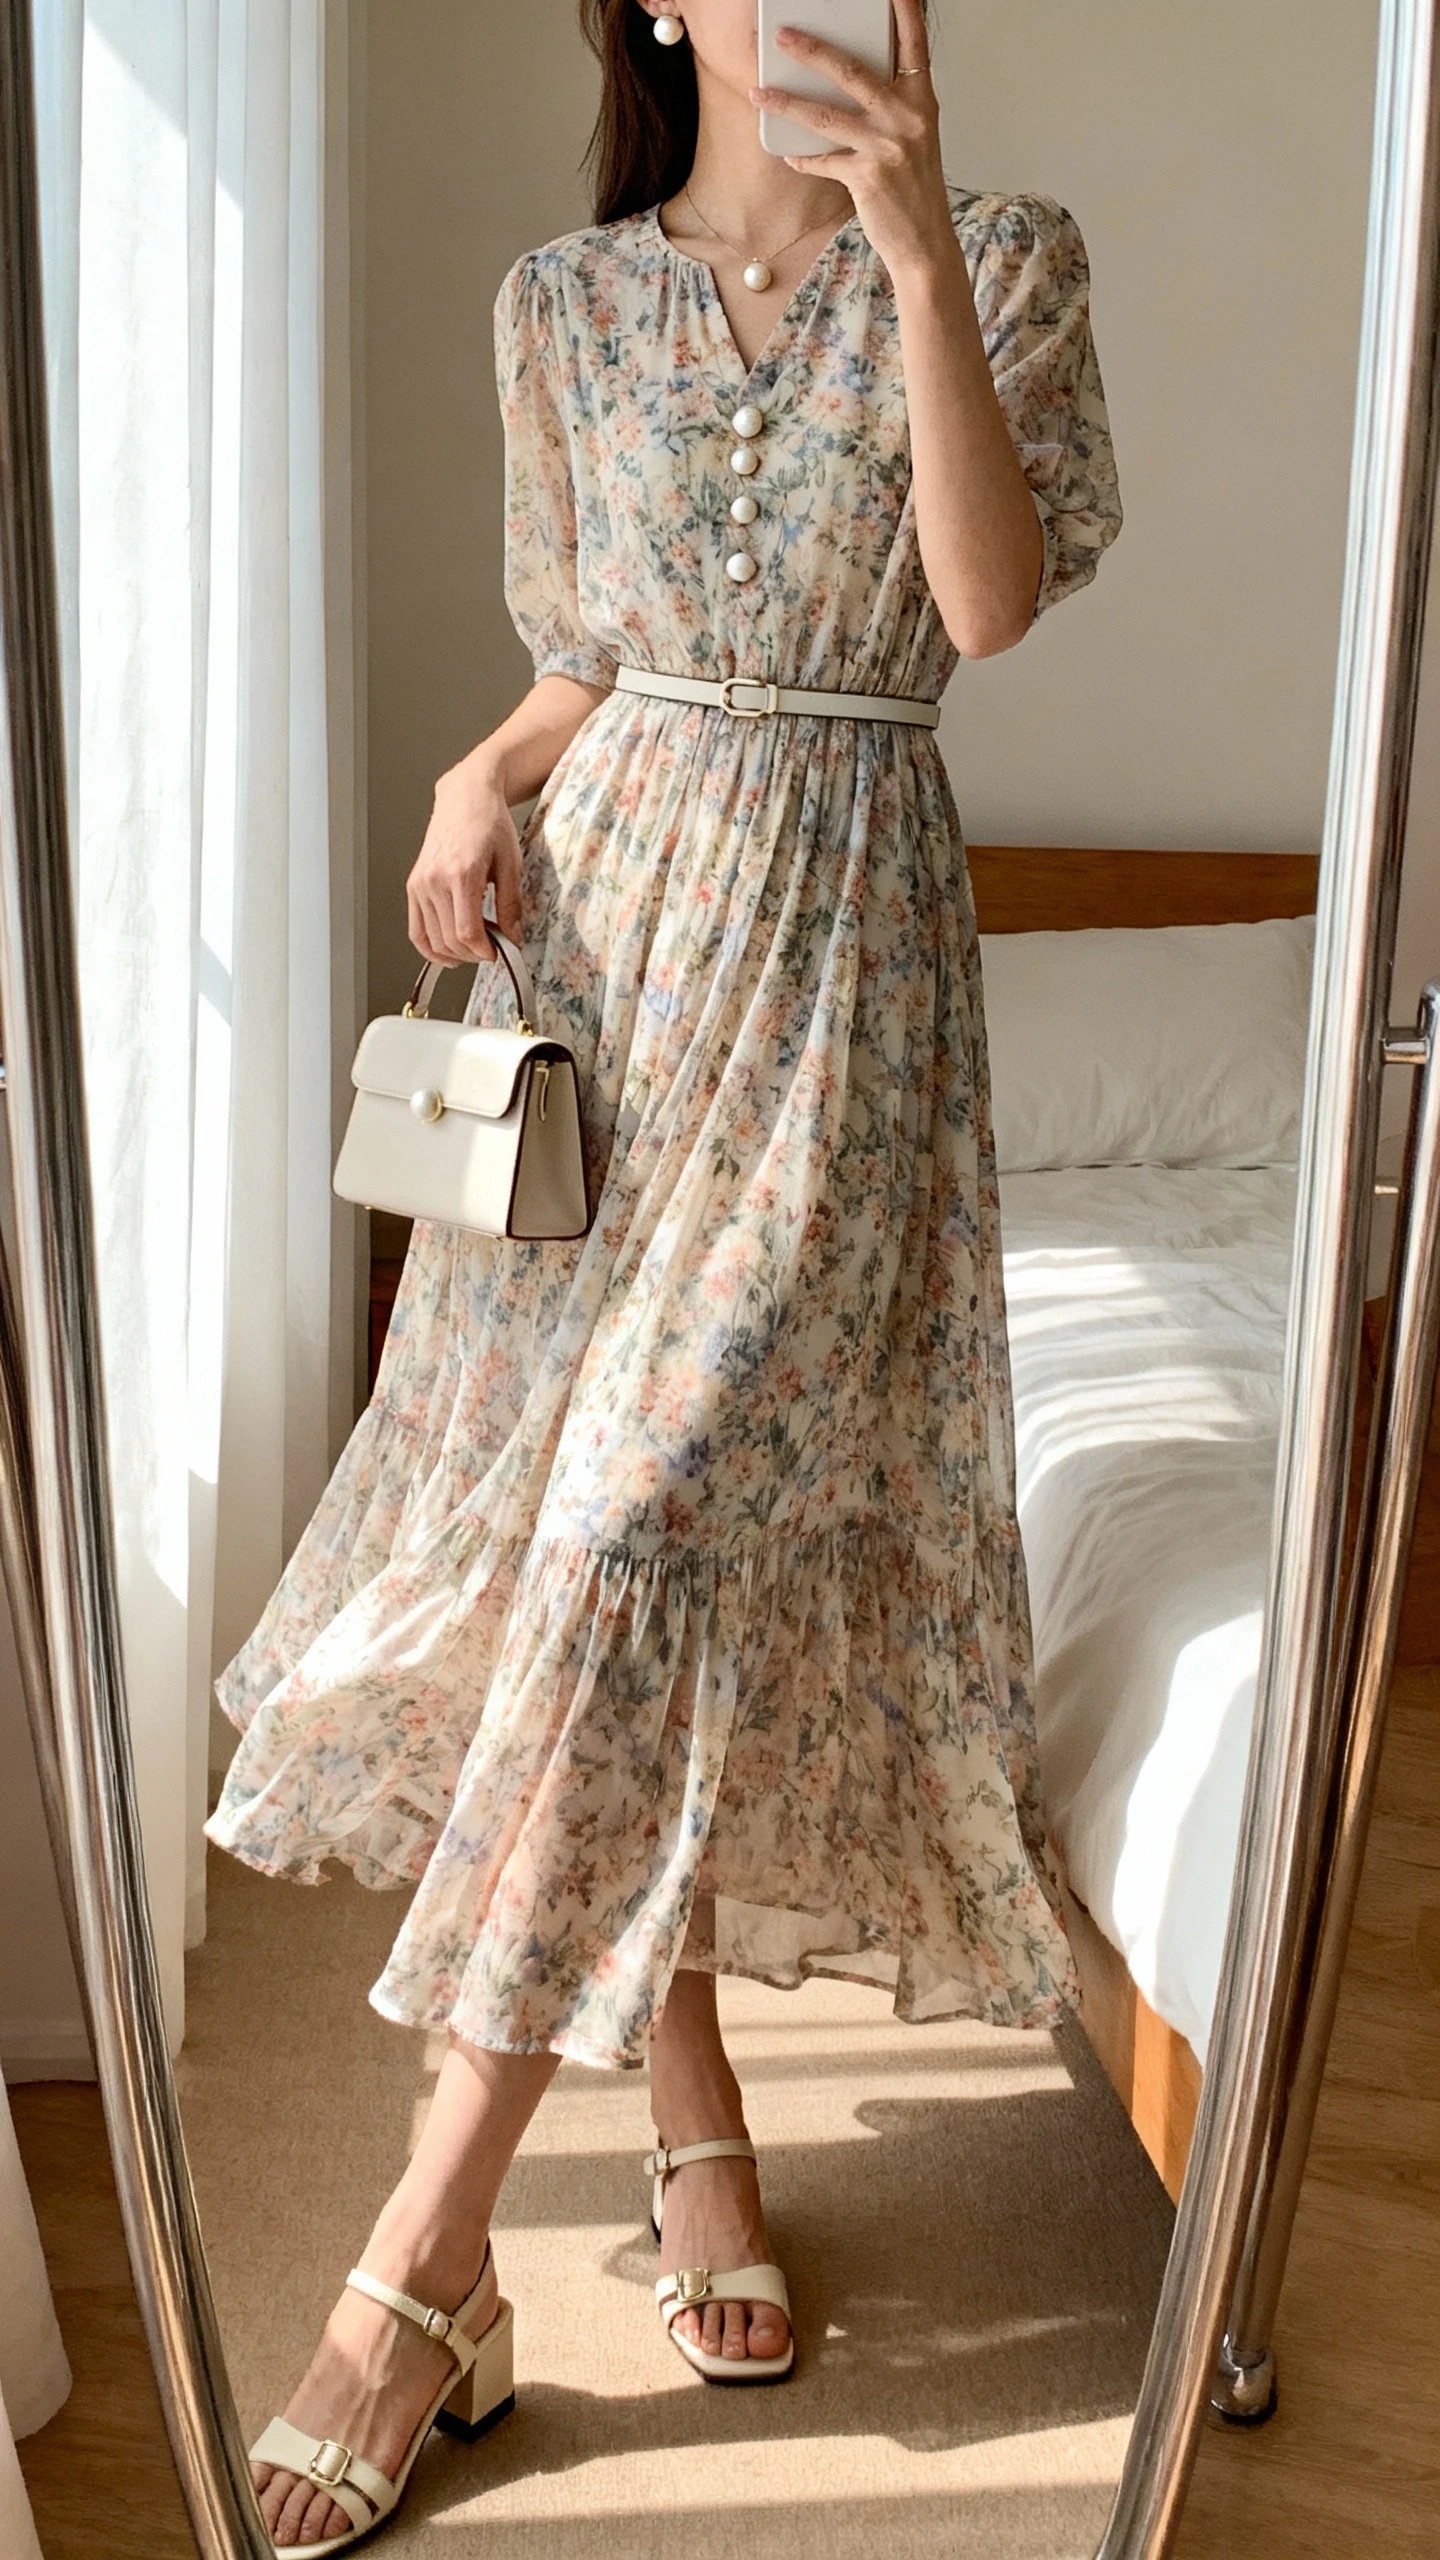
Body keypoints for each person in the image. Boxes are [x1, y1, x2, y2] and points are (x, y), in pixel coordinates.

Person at [207, 0, 1121, 2544]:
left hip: (847, 982)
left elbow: (983, 602)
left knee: (638, 1527)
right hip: (613, 971)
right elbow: (599, 653)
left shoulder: (1012, 261)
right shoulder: (561, 305)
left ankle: (417, 2259)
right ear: (659, 2)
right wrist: (477, 771)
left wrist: (918, 247)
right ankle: (692, 2101)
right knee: (613, 1559)